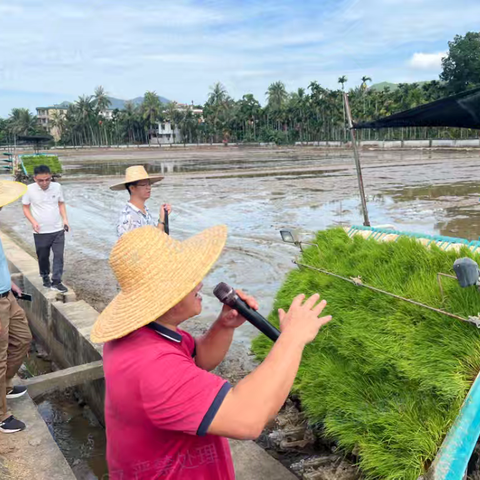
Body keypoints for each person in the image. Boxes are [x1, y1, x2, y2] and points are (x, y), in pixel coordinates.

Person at [91, 225, 331, 480]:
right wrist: (293, 338)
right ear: (166, 297)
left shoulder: (142, 335)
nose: (199, 282)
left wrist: (224, 324)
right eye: (188, 278)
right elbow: (248, 418)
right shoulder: (154, 367)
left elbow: (200, 359)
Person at [0, 180, 33, 433]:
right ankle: (1, 414)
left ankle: (6, 386)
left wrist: (9, 282)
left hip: (6, 295)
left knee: (22, 338)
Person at [22, 165, 69, 293]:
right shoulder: (29, 189)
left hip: (57, 229)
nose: (44, 183)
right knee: (43, 256)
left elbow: (61, 203)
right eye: (41, 180)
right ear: (35, 179)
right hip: (40, 231)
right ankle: (45, 276)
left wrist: (65, 219)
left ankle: (57, 281)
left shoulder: (57, 187)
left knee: (58, 255)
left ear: (51, 176)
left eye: (47, 179)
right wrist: (33, 222)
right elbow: (25, 207)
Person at [110, 165, 172, 237]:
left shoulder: (144, 211)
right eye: (143, 185)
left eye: (149, 184)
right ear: (132, 188)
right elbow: (129, 246)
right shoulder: (128, 217)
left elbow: (155, 238)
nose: (148, 188)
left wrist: (162, 217)